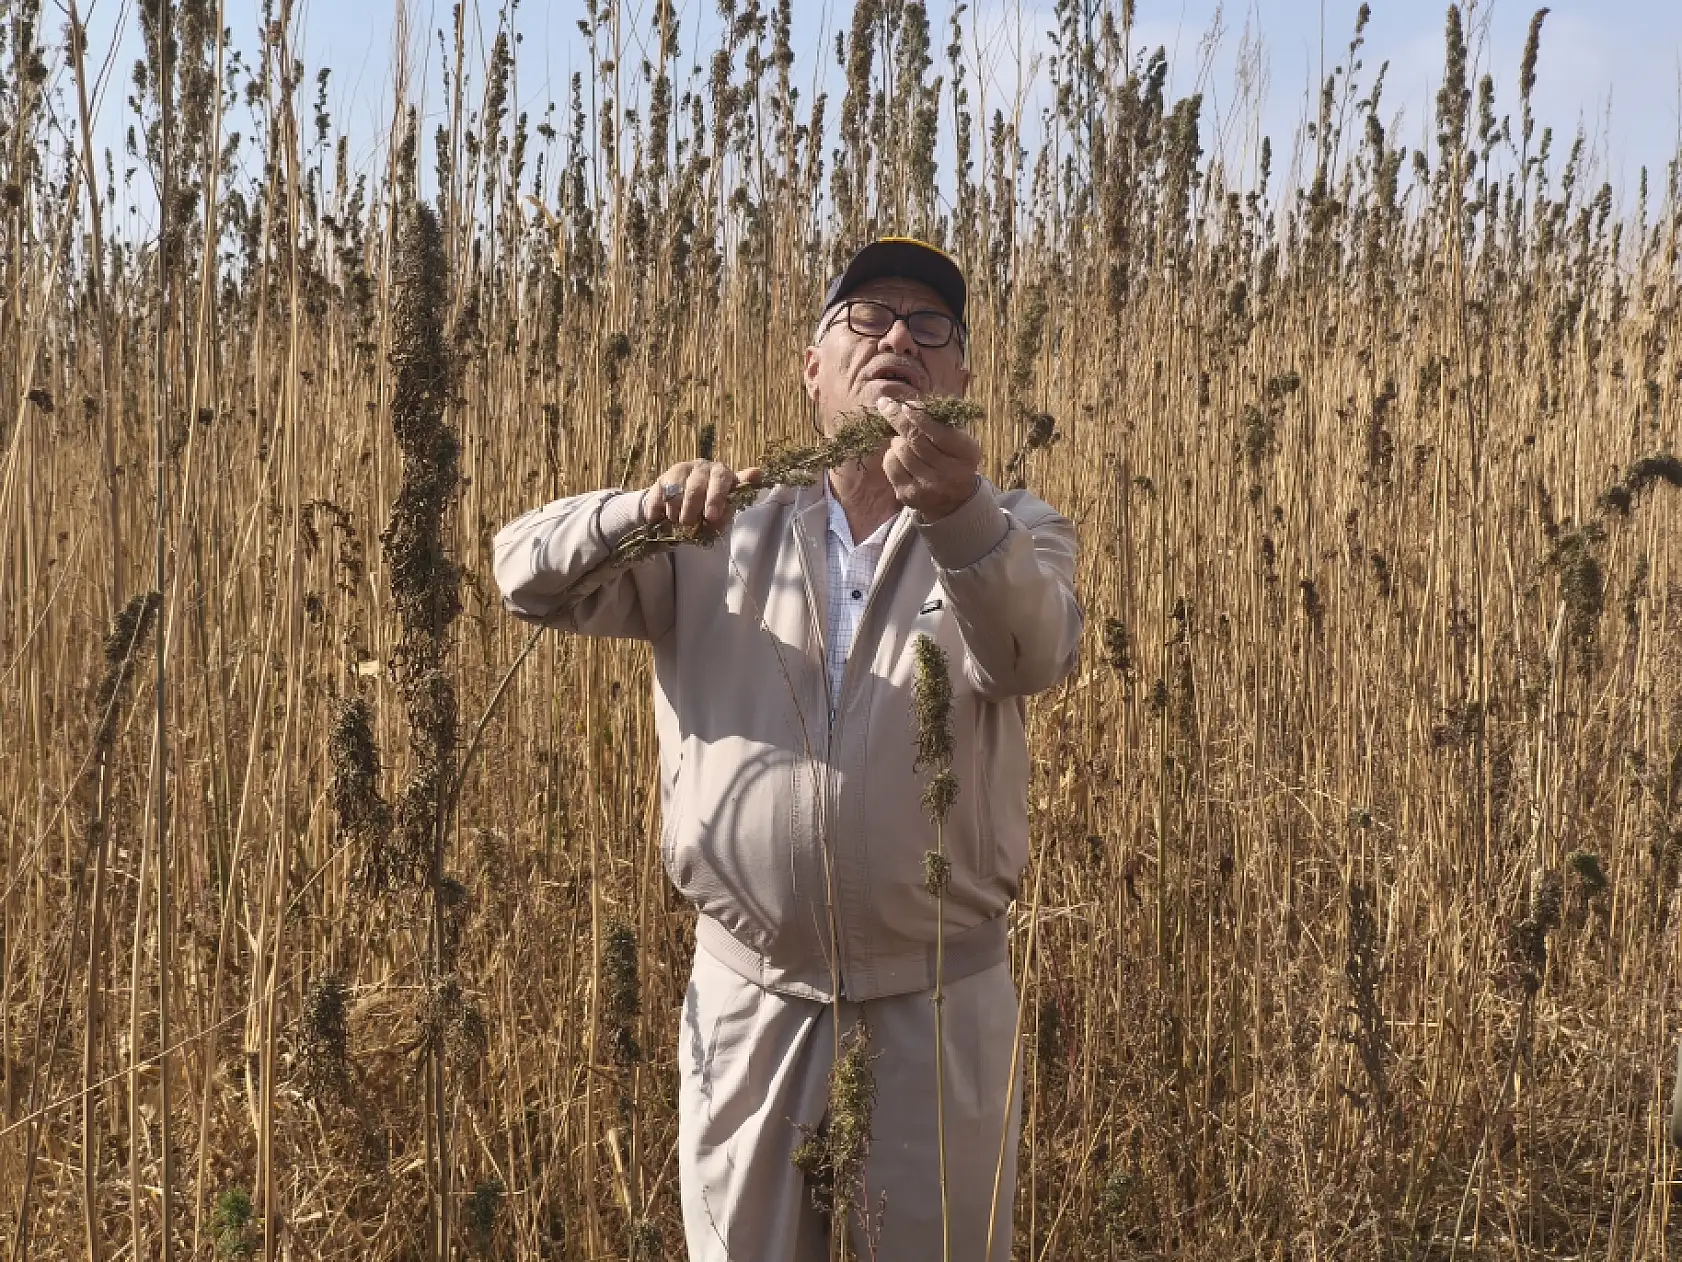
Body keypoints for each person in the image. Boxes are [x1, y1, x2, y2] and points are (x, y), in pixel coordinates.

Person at [493, 237, 1083, 1261]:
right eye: (867, 316)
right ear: (813, 370)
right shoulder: (717, 530)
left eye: (929, 324)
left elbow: (1030, 652)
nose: (899, 337)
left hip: (938, 1003)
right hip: (750, 1003)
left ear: (958, 380)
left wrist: (959, 515)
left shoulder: (1013, 530)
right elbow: (519, 574)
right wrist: (644, 514)